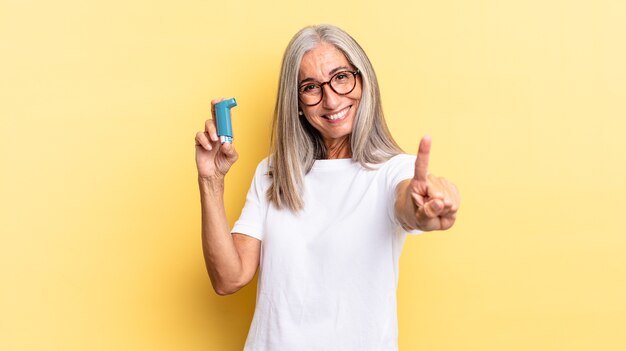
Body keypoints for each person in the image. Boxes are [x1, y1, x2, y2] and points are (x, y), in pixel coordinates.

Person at [195, 24, 459, 351]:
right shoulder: (273, 172)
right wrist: (211, 180)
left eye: (341, 77)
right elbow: (228, 279)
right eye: (310, 87)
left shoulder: (393, 171)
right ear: (297, 103)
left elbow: (409, 205)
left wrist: (426, 211)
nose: (331, 100)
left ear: (363, 80)